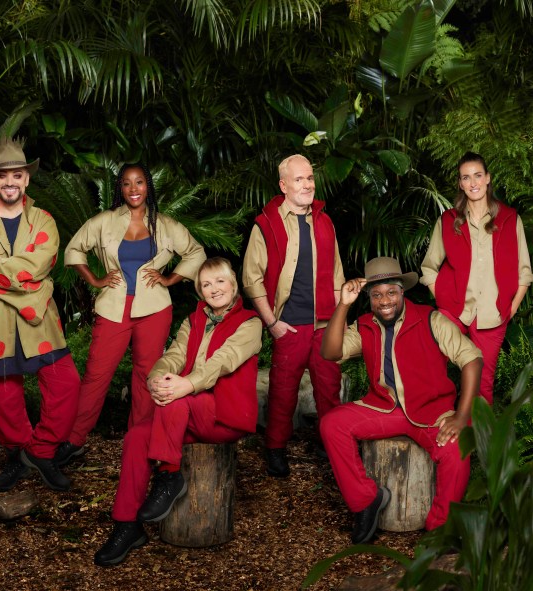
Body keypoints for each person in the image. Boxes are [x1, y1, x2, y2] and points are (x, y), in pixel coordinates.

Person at [94, 258, 261, 566]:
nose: (214, 290)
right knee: (136, 437)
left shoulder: (250, 323)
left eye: (220, 281)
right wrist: (158, 377)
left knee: (176, 400)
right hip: (184, 410)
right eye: (206, 285)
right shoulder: (193, 319)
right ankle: (127, 526)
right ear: (200, 290)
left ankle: (168, 477)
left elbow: (222, 361)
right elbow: (174, 354)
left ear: (233, 283)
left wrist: (186, 385)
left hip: (223, 415)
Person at [319, 257, 480, 544]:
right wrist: (343, 304)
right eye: (377, 294)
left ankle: (441, 528)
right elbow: (331, 352)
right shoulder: (366, 324)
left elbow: (472, 360)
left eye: (391, 292)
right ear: (368, 298)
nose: (385, 301)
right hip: (385, 408)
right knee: (332, 424)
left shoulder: (432, 319)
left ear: (402, 292)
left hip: (431, 412)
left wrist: (460, 415)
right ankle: (366, 500)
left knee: (456, 452)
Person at [58, 163, 206, 466]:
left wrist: (170, 278)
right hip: (113, 308)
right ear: (120, 189)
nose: (134, 189)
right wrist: (96, 280)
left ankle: (139, 441)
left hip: (154, 309)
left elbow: (196, 252)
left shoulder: (165, 224)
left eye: (139, 182)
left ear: (147, 186)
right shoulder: (104, 221)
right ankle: (74, 440)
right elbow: (73, 250)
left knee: (146, 377)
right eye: (127, 184)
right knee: (96, 376)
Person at [0, 136, 81, 492]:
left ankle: (41, 450)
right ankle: (18, 453)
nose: (10, 182)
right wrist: (29, 286)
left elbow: (41, 265)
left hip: (39, 322)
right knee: (4, 395)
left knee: (66, 384)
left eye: (16, 175)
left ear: (27, 179)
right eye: (2, 176)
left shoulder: (44, 220)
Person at [241, 154, 344, 477]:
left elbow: (338, 274)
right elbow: (250, 278)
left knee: (329, 388)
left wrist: (339, 321)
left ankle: (331, 445)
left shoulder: (324, 221)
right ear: (283, 185)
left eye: (310, 178)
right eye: (299, 179)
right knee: (283, 391)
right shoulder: (267, 224)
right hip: (289, 324)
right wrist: (272, 322)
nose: (307, 185)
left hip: (325, 323)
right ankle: (275, 448)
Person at [420, 152, 532, 406]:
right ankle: (432, 427)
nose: (473, 183)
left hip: (493, 314)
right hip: (453, 309)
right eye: (466, 178)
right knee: (432, 366)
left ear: (488, 178)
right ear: (460, 183)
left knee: (482, 383)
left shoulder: (509, 219)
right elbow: (428, 268)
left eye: (478, 176)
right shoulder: (448, 220)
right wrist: (443, 298)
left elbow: (524, 272)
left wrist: (511, 309)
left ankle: (476, 442)